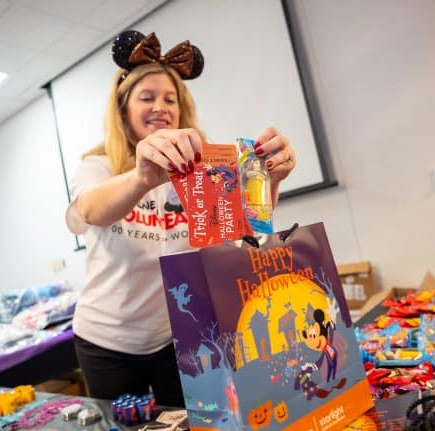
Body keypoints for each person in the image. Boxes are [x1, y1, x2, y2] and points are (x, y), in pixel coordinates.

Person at [65, 30, 297, 406]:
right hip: (107, 340)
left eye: (170, 99)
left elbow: (244, 238)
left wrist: (270, 180)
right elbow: (90, 210)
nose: (161, 106)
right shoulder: (98, 165)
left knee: (197, 419)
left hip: (177, 335)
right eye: (147, 97)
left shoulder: (200, 168)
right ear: (123, 109)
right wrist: (143, 177)